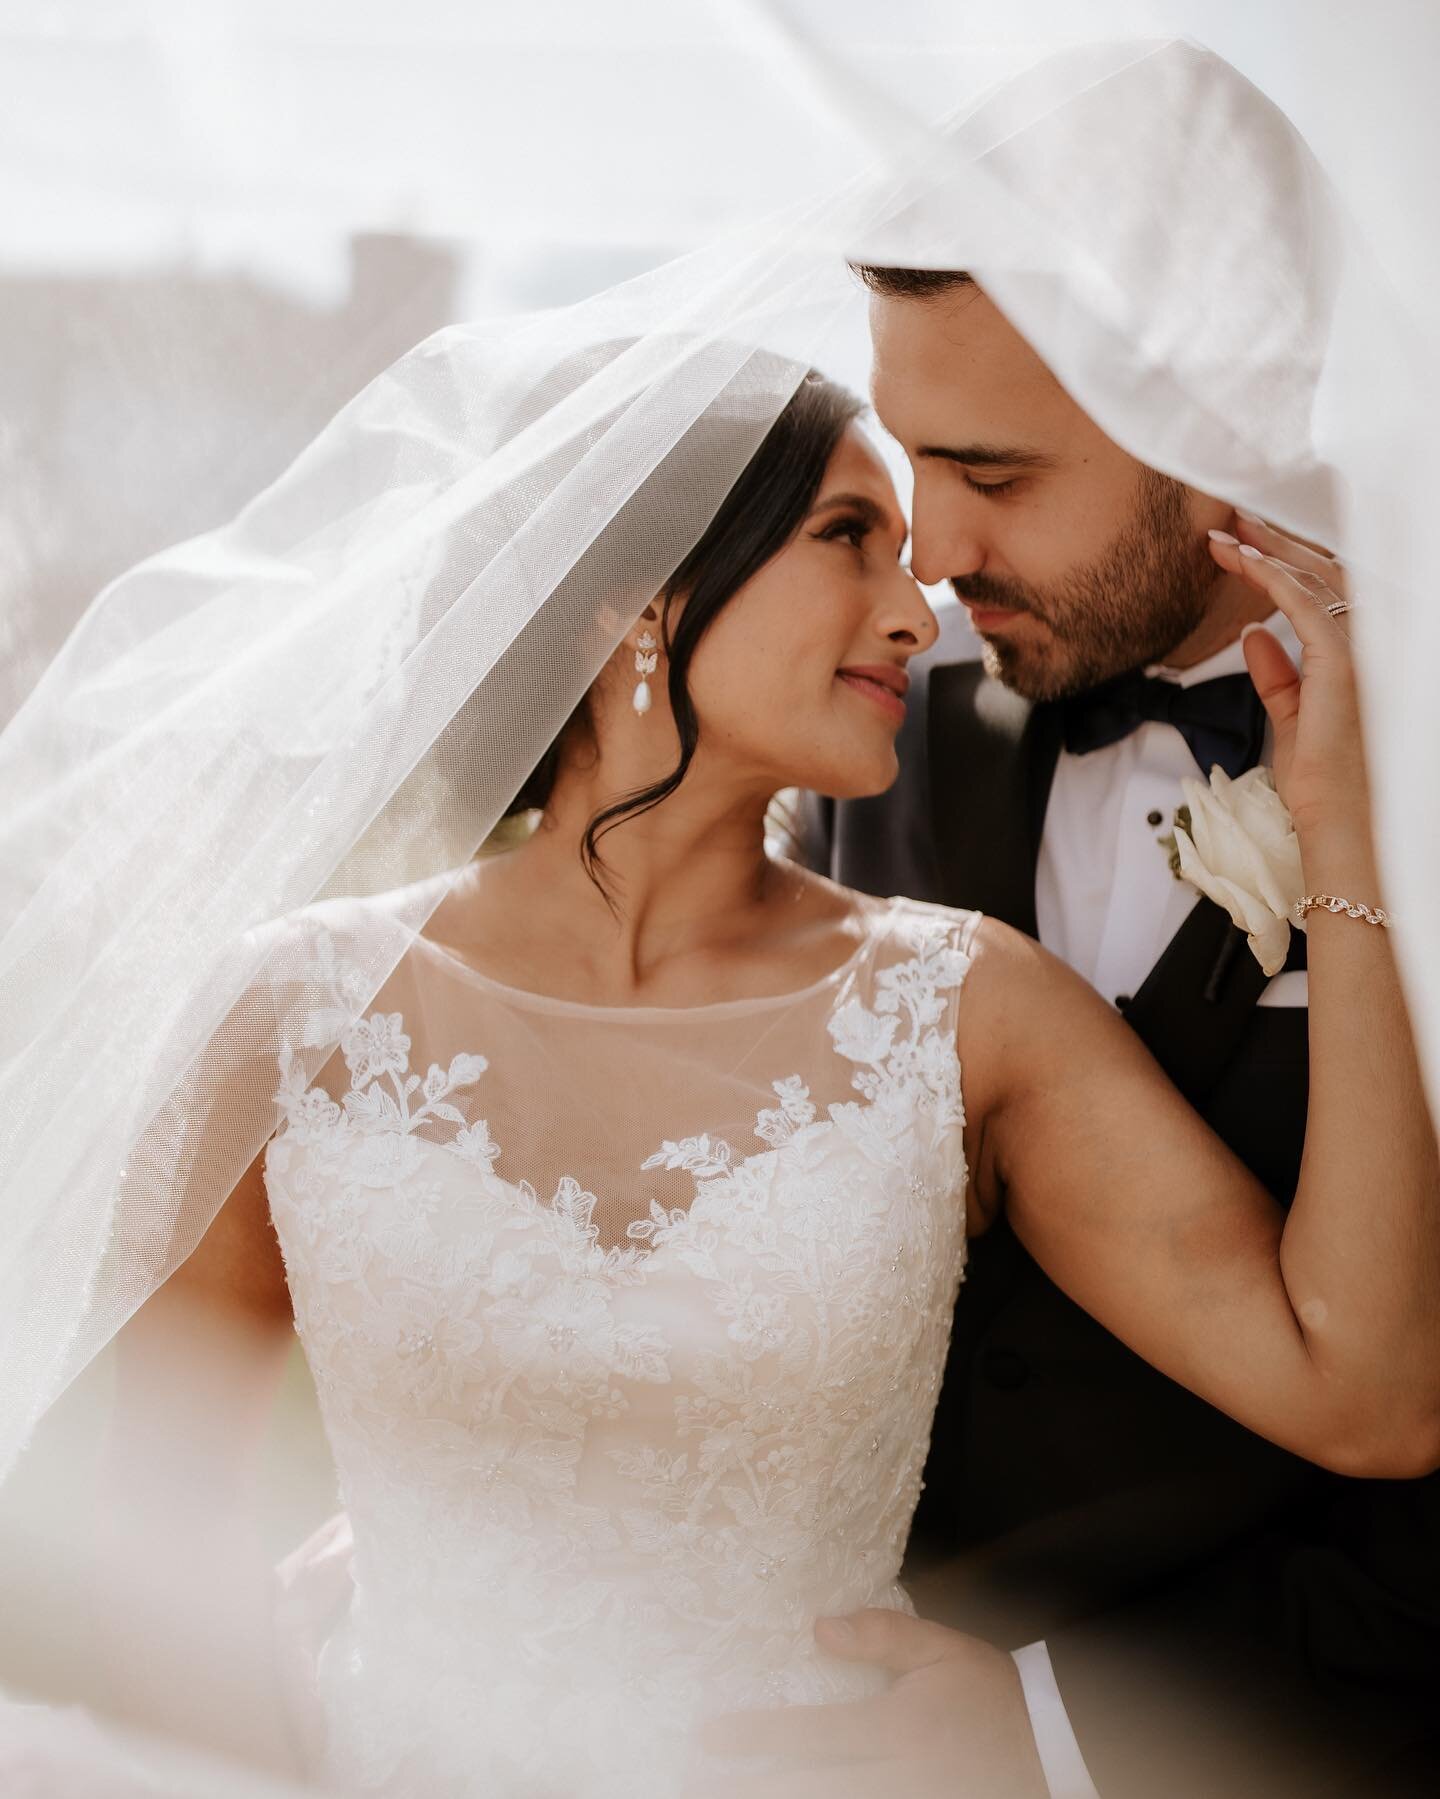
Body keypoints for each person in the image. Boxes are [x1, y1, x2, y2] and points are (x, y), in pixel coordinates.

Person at [93, 357, 1437, 1799]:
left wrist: (1346, 840)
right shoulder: (293, 1013)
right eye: (849, 537)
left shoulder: (970, 1008)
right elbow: (134, 1527)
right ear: (644, 599)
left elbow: (1367, 1389)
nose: (919, 610)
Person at [783, 269, 1440, 1797]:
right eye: (913, 459)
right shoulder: (892, 724)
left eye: (994, 474)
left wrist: (1060, 1731)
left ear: (1223, 418)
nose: (934, 555)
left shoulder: (1422, 777)